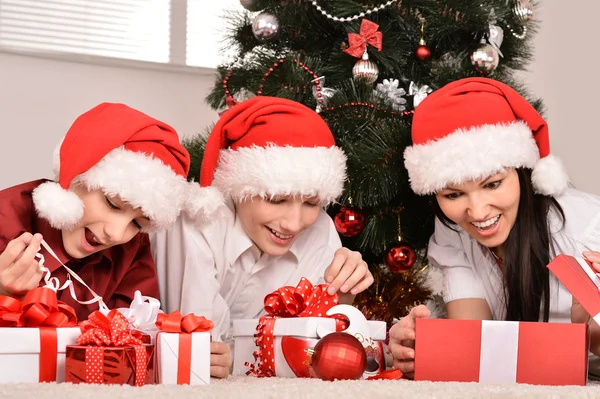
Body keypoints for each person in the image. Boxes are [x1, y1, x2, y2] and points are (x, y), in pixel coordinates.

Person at [388, 77, 600, 378]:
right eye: (453, 194)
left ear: (524, 173)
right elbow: (473, 341)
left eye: (493, 184)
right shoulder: (454, 231)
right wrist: (418, 348)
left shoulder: (586, 230)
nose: (477, 211)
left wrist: (593, 330)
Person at [151, 96, 374, 378]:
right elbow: (202, 355)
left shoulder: (321, 229)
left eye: (311, 203)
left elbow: (314, 354)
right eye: (276, 199)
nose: (294, 224)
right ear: (238, 188)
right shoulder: (197, 219)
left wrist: (342, 295)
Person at [0, 102, 214, 321]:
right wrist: (3, 294)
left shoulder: (132, 250)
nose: (117, 234)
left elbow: (138, 340)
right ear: (75, 175)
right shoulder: (5, 219)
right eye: (113, 204)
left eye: (137, 223)